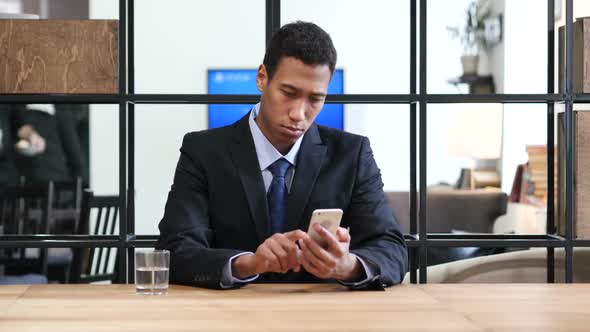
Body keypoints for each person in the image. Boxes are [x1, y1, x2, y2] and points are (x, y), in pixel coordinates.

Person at [156, 21, 408, 290]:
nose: (299, 114)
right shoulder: (203, 151)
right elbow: (176, 250)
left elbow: (392, 249)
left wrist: (347, 266)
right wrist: (250, 264)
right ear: (262, 77)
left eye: (315, 99)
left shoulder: (352, 154)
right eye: (288, 93)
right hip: (227, 315)